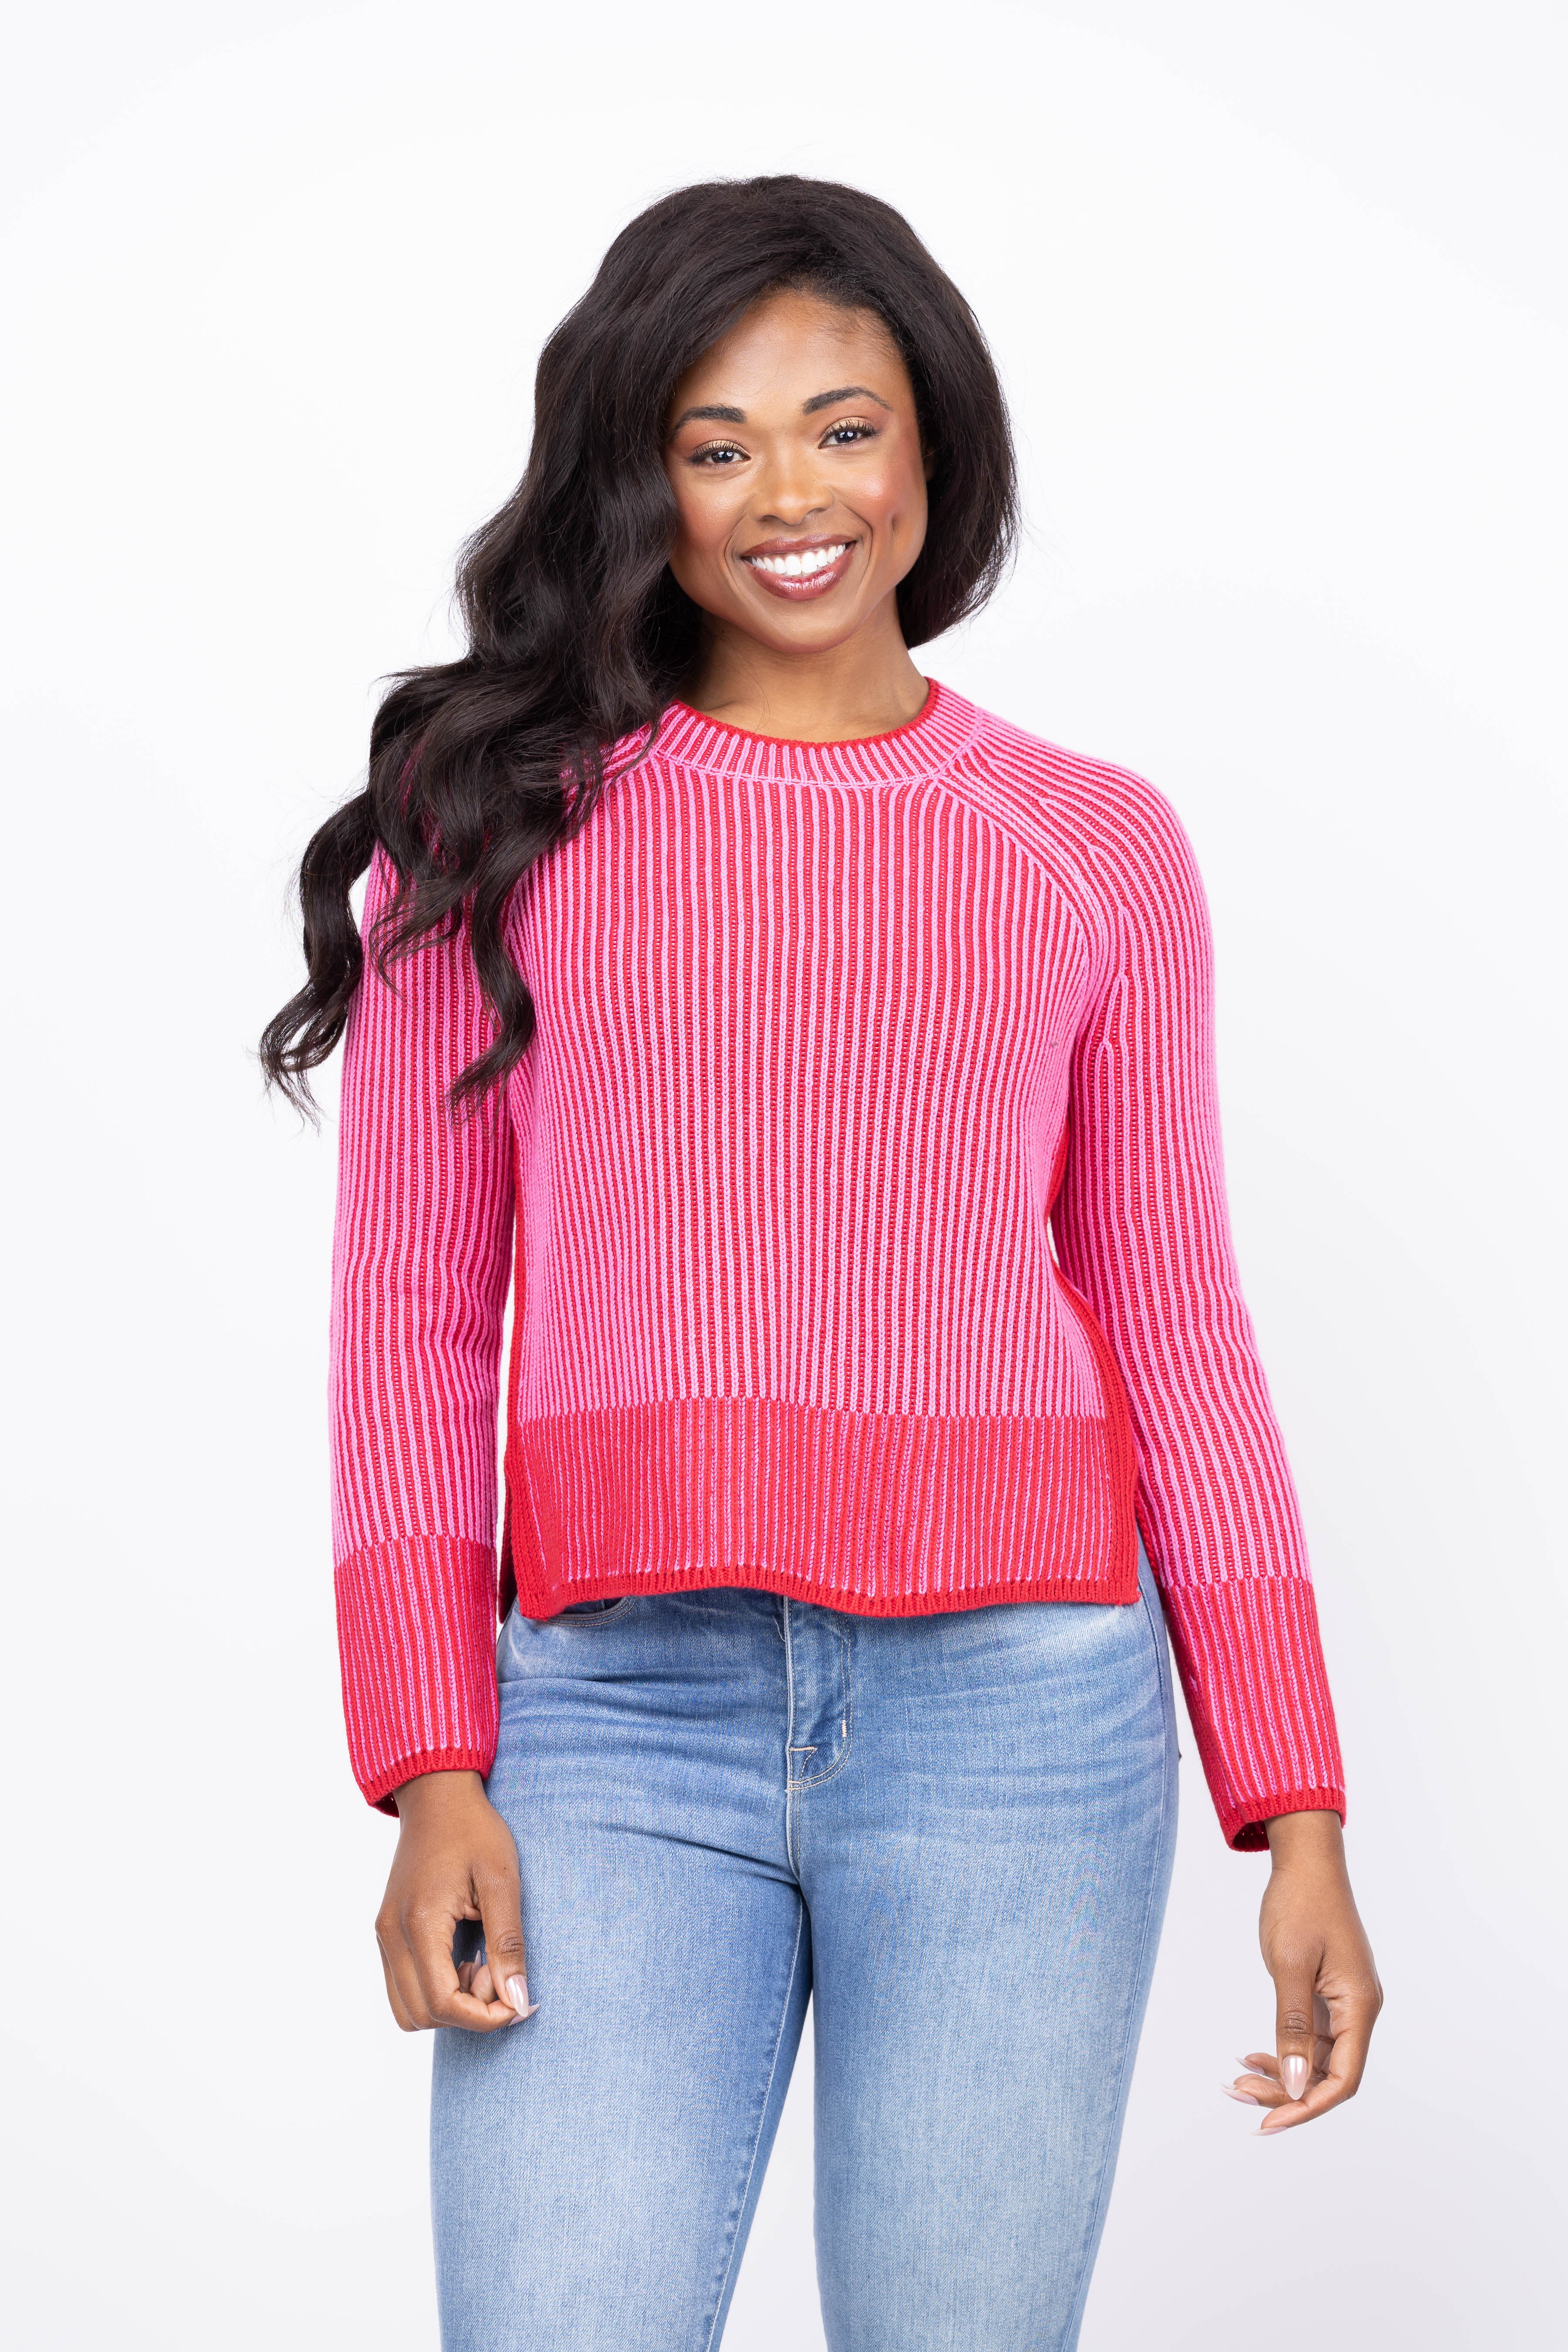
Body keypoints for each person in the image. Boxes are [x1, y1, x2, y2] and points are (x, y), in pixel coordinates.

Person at [263, 175, 1382, 2352]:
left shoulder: (1093, 843)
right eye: (718, 444)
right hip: (612, 1720)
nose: (793, 495)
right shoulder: (493, 824)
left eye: (845, 428)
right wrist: (428, 1756)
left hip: (1025, 1722)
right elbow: (410, 1318)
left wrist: (1298, 1801)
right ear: (639, 480)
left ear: (933, 445)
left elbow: (1176, 1321)